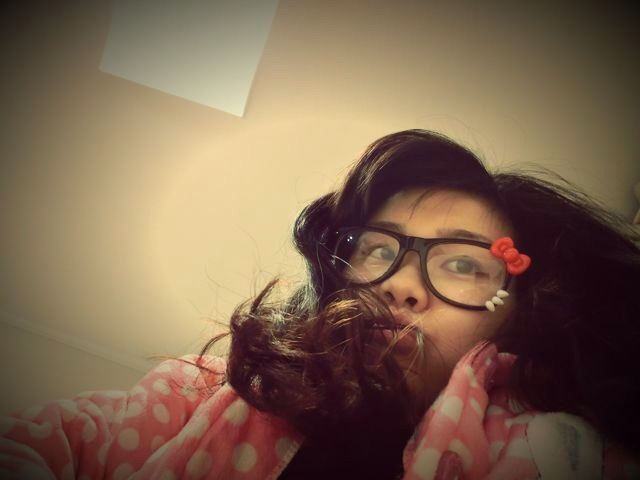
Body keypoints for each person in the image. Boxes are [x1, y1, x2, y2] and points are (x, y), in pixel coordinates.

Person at [2, 130, 639, 479]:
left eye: (464, 264)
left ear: (518, 309)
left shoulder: (557, 454)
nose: (400, 285)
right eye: (377, 249)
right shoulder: (202, 393)